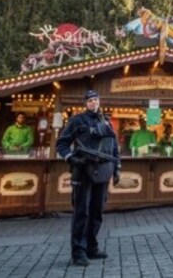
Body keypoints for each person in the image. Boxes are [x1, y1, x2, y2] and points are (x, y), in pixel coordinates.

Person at [56, 90, 121, 266]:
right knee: (81, 212)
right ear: (85, 103)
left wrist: (117, 169)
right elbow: (61, 144)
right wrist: (71, 157)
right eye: (90, 100)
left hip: (103, 170)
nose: (94, 103)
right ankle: (78, 252)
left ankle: (92, 248)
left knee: (97, 211)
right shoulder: (77, 120)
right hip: (83, 170)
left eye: (96, 100)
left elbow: (114, 147)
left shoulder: (106, 121)